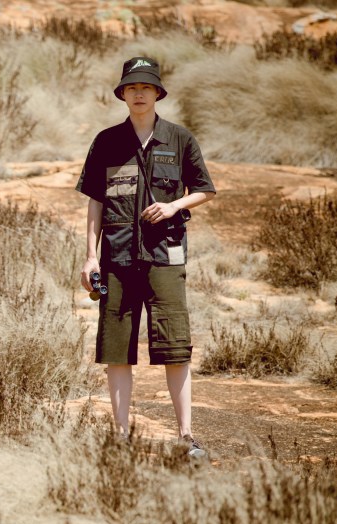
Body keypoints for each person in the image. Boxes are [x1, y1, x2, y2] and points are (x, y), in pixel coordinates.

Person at [75, 56, 216, 460]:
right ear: (123, 94)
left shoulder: (179, 138)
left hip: (165, 258)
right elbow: (96, 202)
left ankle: (186, 436)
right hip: (117, 259)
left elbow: (205, 189)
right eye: (132, 87)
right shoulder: (106, 141)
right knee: (116, 349)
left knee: (175, 346)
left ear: (157, 93)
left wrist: (174, 206)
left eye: (146, 87)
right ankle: (121, 439)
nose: (139, 93)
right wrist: (91, 257)